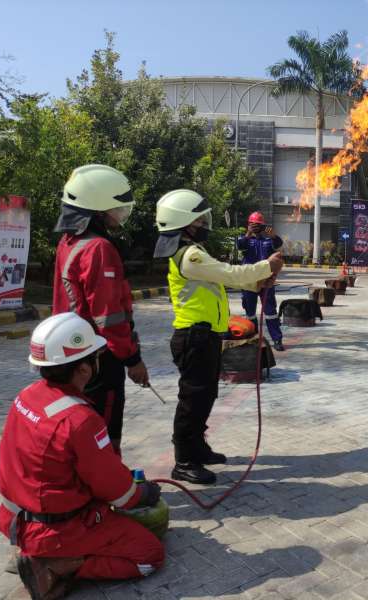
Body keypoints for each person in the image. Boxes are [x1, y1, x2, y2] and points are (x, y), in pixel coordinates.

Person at [0, 313, 164, 600]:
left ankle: (36, 553)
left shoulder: (25, 396)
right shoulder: (80, 419)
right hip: (55, 532)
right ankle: (57, 565)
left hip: (14, 520)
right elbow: (118, 492)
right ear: (85, 369)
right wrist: (142, 494)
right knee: (149, 555)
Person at [153, 190, 283, 484]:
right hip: (193, 337)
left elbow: (220, 282)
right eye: (198, 219)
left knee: (205, 395)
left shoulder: (192, 251)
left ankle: (197, 448)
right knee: (192, 400)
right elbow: (228, 273)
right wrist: (266, 267)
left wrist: (260, 280)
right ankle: (184, 460)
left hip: (206, 336)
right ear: (185, 221)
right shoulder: (190, 255)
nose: (203, 223)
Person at [52, 164, 149, 455]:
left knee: (78, 423)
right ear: (97, 210)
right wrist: (133, 360)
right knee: (102, 427)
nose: (119, 216)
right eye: (115, 209)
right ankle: (110, 489)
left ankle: (86, 487)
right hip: (98, 358)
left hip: (69, 351)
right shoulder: (99, 248)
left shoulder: (68, 242)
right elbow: (109, 318)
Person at [237, 212, 285, 351]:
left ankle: (277, 339)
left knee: (270, 312)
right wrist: (248, 234)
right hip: (249, 281)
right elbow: (240, 245)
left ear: (263, 225)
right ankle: (253, 338)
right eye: (253, 224)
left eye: (258, 225)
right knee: (250, 312)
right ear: (248, 225)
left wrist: (273, 235)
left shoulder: (268, 240)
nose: (255, 227)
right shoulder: (245, 240)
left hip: (266, 281)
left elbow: (279, 244)